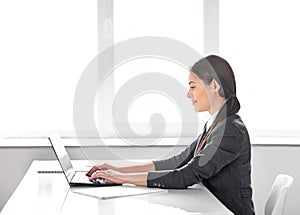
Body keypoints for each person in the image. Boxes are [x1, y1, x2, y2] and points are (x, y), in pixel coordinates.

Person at [87, 55, 255, 214]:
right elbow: (177, 161)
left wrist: (121, 178)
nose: (188, 94)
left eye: (193, 86)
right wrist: (117, 171)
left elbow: (188, 174)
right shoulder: (215, 125)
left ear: (215, 85)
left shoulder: (231, 130)